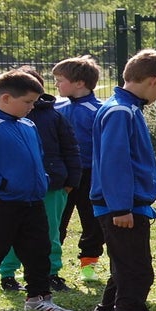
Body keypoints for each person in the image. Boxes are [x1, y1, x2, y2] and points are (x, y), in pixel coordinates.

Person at [83, 49, 156, 311]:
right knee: (137, 273)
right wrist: (121, 207)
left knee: (124, 269)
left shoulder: (126, 108)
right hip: (122, 209)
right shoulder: (121, 112)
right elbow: (114, 163)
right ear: (154, 80)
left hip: (126, 206)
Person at [0, 69, 75, 311]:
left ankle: (38, 298)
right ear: (6, 98)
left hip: (33, 199)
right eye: (28, 102)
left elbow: (38, 157)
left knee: (39, 249)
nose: (32, 107)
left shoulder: (28, 125)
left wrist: (42, 180)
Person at [0, 66, 81, 294]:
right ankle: (8, 274)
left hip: (52, 186)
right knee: (12, 231)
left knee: (51, 232)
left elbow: (71, 149)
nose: (29, 104)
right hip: (15, 188)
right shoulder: (1, 120)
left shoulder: (54, 117)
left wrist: (71, 181)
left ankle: (51, 273)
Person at [53, 55, 107, 284]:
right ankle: (50, 268)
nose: (55, 84)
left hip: (90, 176)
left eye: (60, 80)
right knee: (56, 222)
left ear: (79, 83)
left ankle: (88, 268)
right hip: (62, 176)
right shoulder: (56, 108)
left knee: (93, 223)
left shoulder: (100, 111)